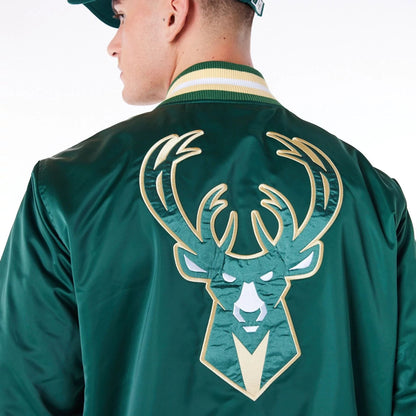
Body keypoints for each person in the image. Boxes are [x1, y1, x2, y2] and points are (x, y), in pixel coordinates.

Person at [0, 0, 415, 414]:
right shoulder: (373, 197)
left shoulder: (70, 188)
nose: (114, 44)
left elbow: (21, 398)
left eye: (122, 16)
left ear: (174, 13)